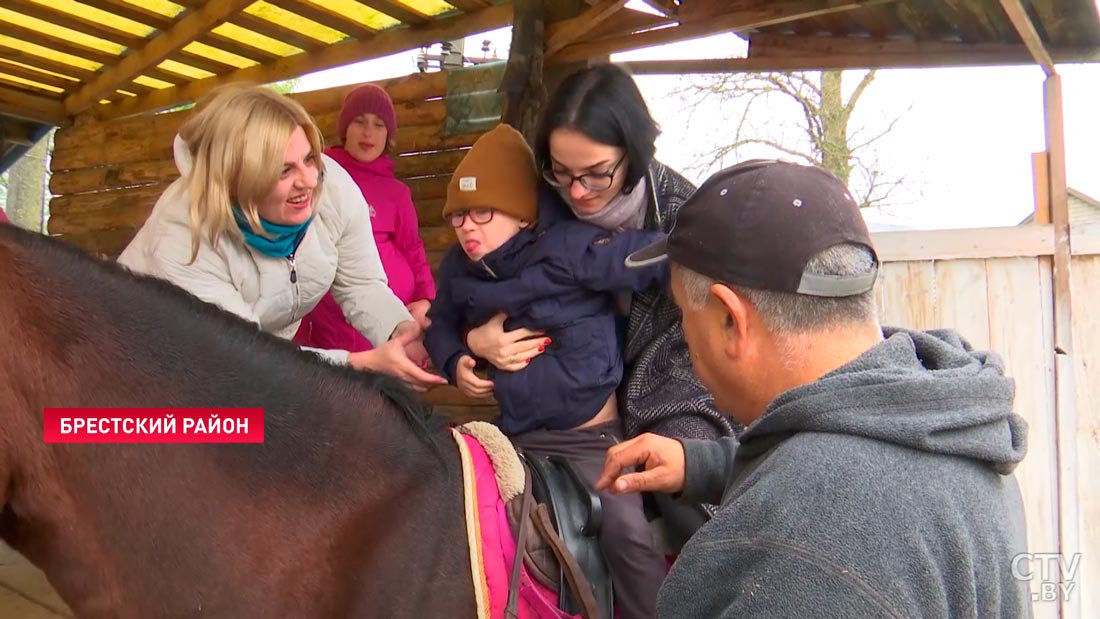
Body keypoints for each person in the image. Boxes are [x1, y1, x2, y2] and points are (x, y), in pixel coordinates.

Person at [594, 159, 1032, 618]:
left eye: (683, 313)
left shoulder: (801, 541)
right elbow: (851, 464)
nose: (683, 335)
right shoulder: (952, 428)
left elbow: (828, 504)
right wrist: (703, 464)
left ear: (730, 320)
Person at [424, 124, 668, 619]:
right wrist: (456, 358)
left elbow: (645, 257)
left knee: (628, 535)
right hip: (516, 435)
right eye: (458, 216)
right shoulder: (459, 269)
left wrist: (705, 244)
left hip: (591, 439)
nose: (467, 227)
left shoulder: (568, 246)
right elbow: (438, 325)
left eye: (482, 212)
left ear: (522, 214)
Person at [117, 84, 446, 391]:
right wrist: (360, 365)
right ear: (238, 178)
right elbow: (242, 357)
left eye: (308, 159)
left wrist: (401, 331)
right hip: (141, 366)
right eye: (283, 170)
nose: (308, 181)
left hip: (252, 362)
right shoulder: (184, 238)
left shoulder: (333, 187)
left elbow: (361, 284)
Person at [294, 83, 435, 353]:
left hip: (391, 320)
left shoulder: (396, 192)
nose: (368, 132)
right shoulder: (320, 177)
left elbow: (412, 248)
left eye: (379, 125)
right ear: (345, 128)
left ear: (388, 136)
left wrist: (424, 297)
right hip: (334, 321)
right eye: (359, 121)